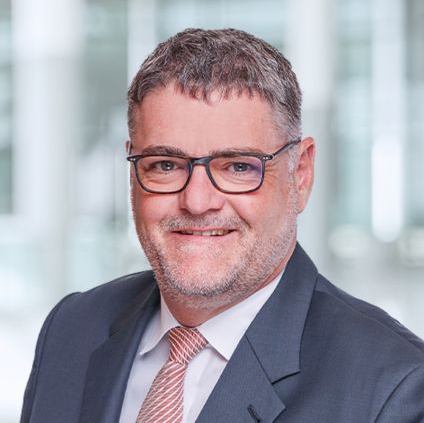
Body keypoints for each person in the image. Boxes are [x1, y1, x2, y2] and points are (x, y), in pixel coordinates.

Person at [21, 28, 424, 423]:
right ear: (132, 172)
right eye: (166, 165)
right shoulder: (71, 329)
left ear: (300, 174)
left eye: (238, 167)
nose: (197, 202)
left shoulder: (393, 389)